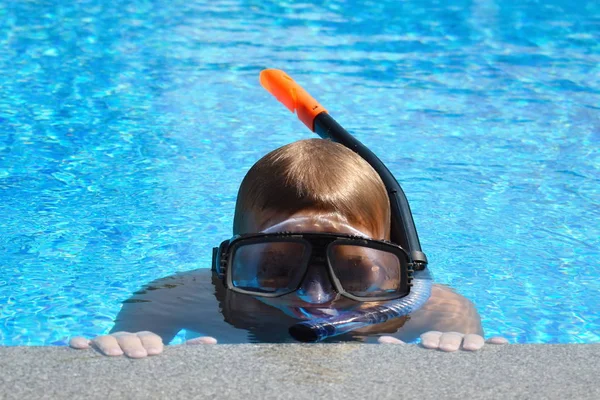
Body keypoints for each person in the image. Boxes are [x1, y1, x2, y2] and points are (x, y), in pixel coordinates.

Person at [70, 138, 507, 358]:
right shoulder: (190, 298)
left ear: (394, 266)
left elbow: (463, 342)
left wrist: (456, 350)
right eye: (276, 268)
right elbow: (130, 334)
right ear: (228, 263)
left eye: (353, 270)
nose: (313, 295)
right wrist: (132, 343)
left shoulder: (430, 309)